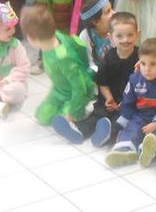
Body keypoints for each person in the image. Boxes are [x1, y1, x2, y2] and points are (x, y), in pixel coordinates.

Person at [57, 10, 139, 147]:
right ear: (111, 38)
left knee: (121, 120)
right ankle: (78, 131)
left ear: (137, 34)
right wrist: (108, 98)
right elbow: (102, 82)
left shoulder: (140, 58)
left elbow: (143, 83)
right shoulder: (108, 58)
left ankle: (107, 135)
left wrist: (126, 102)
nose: (125, 40)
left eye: (130, 35)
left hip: (131, 102)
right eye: (119, 36)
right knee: (98, 114)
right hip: (109, 99)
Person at [104, 38, 156, 168]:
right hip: (141, 116)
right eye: (143, 63)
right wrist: (124, 119)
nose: (146, 69)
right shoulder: (135, 79)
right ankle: (125, 151)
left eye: (152, 64)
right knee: (131, 129)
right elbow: (128, 101)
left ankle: (151, 151)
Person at [20, 4, 93, 126]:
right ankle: (64, 111)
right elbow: (77, 44)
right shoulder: (54, 36)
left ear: (31, 38)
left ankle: (85, 110)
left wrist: (74, 112)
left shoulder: (63, 57)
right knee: (42, 116)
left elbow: (79, 85)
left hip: (77, 93)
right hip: (60, 90)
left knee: (65, 118)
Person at [77, 0, 114, 68]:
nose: (114, 13)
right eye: (108, 11)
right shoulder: (86, 36)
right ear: (95, 21)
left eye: (111, 9)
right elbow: (88, 63)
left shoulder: (116, 29)